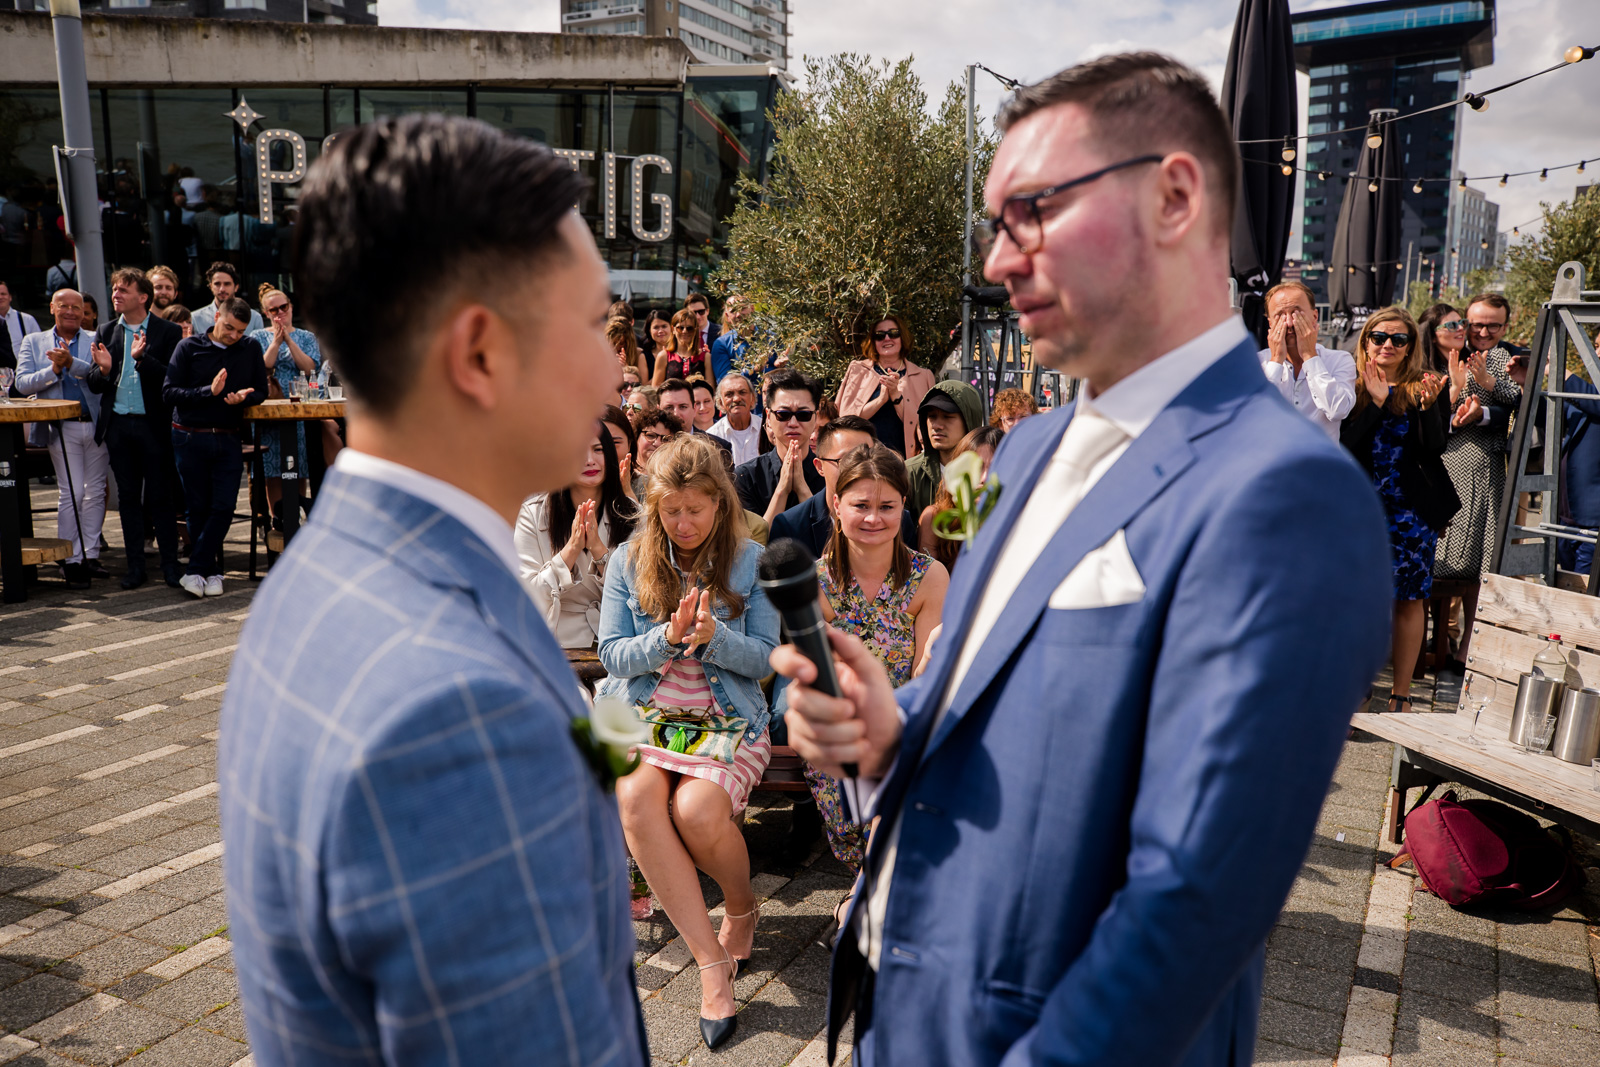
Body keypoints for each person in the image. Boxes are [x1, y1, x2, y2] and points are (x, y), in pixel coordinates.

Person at [773, 53, 1392, 1067]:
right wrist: (894, 728)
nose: (999, 262)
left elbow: (1195, 895)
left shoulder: (1286, 495)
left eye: (1033, 212)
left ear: (1174, 195)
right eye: (995, 226)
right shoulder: (1021, 451)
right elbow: (989, 699)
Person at [220, 115, 648, 1066]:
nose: (618, 368)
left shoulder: (319, 574)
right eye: (592, 325)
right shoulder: (457, 713)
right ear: (481, 352)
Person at [600, 433, 779, 1051]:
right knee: (636, 803)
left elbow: (765, 658)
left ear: (720, 504)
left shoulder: (751, 561)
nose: (682, 523)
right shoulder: (628, 560)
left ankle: (741, 907)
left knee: (698, 812)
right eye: (670, 511)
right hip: (641, 714)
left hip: (725, 717)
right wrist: (665, 641)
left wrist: (713, 639)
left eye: (694, 510)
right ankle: (710, 965)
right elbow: (611, 655)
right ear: (653, 508)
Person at [804, 443, 947, 873]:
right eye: (860, 504)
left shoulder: (928, 577)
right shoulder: (816, 582)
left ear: (904, 505)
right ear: (836, 504)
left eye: (886, 505)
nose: (873, 518)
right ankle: (871, 889)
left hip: (906, 720)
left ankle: (866, 896)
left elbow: (926, 676)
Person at [1340, 308, 1457, 710]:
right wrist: (1373, 404)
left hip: (1411, 513)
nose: (1387, 344)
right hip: (1359, 510)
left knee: (1409, 601)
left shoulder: (1424, 386)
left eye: (1399, 339)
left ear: (1410, 347)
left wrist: (1427, 410)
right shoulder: (1348, 383)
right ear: (1366, 340)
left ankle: (1401, 694)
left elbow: (1434, 449)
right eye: (1379, 336)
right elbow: (1344, 448)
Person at [1428, 292, 1523, 671]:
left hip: (1484, 465)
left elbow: (1520, 402)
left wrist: (1485, 399)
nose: (1483, 331)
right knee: (1438, 557)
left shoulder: (1510, 358)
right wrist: (1454, 398)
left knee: (1481, 564)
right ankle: (1437, 637)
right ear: (1464, 322)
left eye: (1492, 325)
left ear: (1505, 326)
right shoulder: (1445, 349)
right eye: (1476, 323)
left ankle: (1471, 644)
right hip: (1441, 461)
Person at [86, 268, 185, 589]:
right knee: (128, 498)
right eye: (114, 289)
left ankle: (170, 566)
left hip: (153, 427)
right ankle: (135, 568)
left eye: (123, 290)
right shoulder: (105, 330)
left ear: (143, 297)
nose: (116, 295)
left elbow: (173, 378)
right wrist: (103, 371)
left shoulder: (168, 331)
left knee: (161, 498)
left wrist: (142, 360)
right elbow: (95, 382)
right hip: (118, 427)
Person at [163, 296, 268, 597]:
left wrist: (243, 398)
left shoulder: (250, 348)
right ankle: (211, 571)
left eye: (240, 331)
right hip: (189, 435)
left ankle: (197, 569)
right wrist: (209, 391)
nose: (234, 336)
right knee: (197, 507)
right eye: (230, 327)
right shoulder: (188, 347)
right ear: (216, 317)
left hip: (228, 435)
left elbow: (260, 390)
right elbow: (169, 393)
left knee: (224, 506)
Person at [16, 288, 109, 586]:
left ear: (85, 312)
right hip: (61, 426)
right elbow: (21, 383)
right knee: (72, 493)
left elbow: (102, 376)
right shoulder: (34, 341)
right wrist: (53, 369)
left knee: (96, 491)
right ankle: (70, 558)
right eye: (64, 306)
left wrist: (71, 363)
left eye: (77, 307)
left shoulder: (97, 338)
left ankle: (90, 554)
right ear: (53, 307)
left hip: (95, 424)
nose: (71, 311)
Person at [516, 430, 637, 649]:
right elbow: (528, 594)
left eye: (598, 450)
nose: (589, 461)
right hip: (555, 640)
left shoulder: (633, 515)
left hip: (620, 639)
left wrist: (600, 552)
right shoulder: (533, 514)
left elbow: (642, 592)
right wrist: (570, 552)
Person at [771, 415, 919, 557]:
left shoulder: (899, 520)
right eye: (846, 459)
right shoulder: (790, 527)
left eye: (867, 458)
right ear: (819, 466)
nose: (858, 469)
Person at [248, 285, 323, 528]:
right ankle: (278, 518)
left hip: (298, 408)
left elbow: (310, 369)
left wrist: (289, 340)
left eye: (284, 307)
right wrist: (276, 342)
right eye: (273, 310)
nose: (280, 313)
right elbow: (261, 368)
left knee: (298, 465)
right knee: (273, 468)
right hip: (269, 409)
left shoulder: (306, 336)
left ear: (291, 307)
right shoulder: (258, 337)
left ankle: (297, 512)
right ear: (265, 312)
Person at [1257, 280, 1356, 440]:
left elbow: (1338, 410)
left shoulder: (1340, 360)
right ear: (1270, 323)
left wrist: (1310, 356)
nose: (1289, 323)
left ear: (1314, 316)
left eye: (1296, 313)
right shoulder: (1257, 362)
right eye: (1280, 315)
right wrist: (1275, 361)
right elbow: (1254, 416)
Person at [734, 368, 826, 526]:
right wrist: (781, 491)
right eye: (783, 414)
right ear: (768, 417)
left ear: (815, 418)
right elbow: (753, 545)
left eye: (803, 415)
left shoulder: (829, 473)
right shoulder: (747, 477)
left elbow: (829, 541)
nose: (793, 423)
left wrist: (803, 490)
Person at [835, 313, 935, 456]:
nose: (887, 338)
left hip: (906, 463)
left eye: (893, 333)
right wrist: (880, 400)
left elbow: (922, 425)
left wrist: (895, 396)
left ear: (902, 338)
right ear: (873, 341)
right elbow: (846, 420)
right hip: (862, 460)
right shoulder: (857, 370)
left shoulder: (923, 376)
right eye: (880, 335)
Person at [918, 425, 1004, 573]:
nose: (984, 478)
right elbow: (929, 582)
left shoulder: (1018, 519)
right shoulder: (934, 519)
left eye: (995, 468)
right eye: (977, 467)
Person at [904, 379, 983, 517]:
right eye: (931, 416)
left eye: (947, 417)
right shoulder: (908, 472)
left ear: (968, 420)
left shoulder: (988, 471)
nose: (936, 425)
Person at [660, 377, 733, 462]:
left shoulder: (719, 448)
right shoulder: (650, 445)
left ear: (694, 408)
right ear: (658, 409)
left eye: (683, 407)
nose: (676, 414)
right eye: (669, 408)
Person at [191, 261, 263, 337]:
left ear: (236, 287)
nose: (222, 289)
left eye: (227, 284)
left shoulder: (254, 317)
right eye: (217, 284)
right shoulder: (196, 318)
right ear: (211, 286)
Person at [709, 371, 763, 466]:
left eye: (742, 392)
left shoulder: (766, 429)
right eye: (729, 394)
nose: (737, 399)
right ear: (721, 403)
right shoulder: (711, 437)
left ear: (753, 399)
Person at [652, 308, 706, 385]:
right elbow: (656, 389)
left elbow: (711, 389)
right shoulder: (664, 356)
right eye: (680, 328)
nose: (684, 331)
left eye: (689, 328)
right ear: (673, 329)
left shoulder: (705, 357)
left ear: (695, 330)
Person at [709, 294, 753, 387]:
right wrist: (753, 370)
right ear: (727, 316)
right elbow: (725, 382)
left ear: (752, 309)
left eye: (742, 308)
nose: (738, 314)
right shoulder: (722, 344)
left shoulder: (771, 338)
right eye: (733, 311)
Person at [601, 402, 642, 499]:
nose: (607, 450)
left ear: (629, 444)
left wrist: (627, 491)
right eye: (599, 444)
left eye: (615, 443)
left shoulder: (645, 486)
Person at [0, 279, 40, 354]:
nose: (0, 297)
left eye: (3, 294)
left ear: (10, 297)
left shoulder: (27, 320)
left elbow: (39, 347)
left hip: (22, 365)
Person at [610, 316, 649, 384]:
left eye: (621, 343)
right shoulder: (601, 355)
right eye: (614, 343)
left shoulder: (639, 354)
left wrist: (626, 368)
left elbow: (642, 385)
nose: (617, 347)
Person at [641, 308, 673, 379]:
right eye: (656, 327)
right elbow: (644, 385)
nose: (660, 331)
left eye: (664, 326)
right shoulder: (644, 357)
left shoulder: (680, 352)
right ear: (649, 330)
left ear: (672, 328)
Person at [687, 291, 720, 356]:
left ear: (707, 311)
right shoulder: (683, 334)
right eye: (693, 313)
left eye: (701, 312)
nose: (697, 317)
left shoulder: (721, 332)